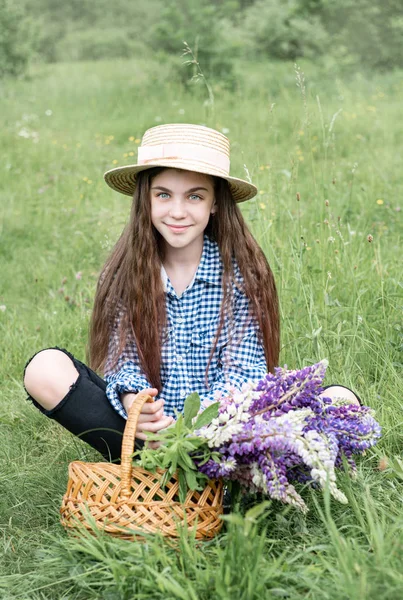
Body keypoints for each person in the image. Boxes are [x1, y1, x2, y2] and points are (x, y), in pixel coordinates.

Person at [23, 123, 360, 463]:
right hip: (146, 439)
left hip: (225, 435)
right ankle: (155, 470)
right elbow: (122, 360)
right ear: (146, 199)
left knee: (339, 401)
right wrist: (138, 406)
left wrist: (190, 431)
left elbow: (244, 376)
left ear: (215, 204)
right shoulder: (125, 273)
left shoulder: (241, 275)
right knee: (45, 368)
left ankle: (220, 482)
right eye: (164, 194)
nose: (178, 212)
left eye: (195, 196)